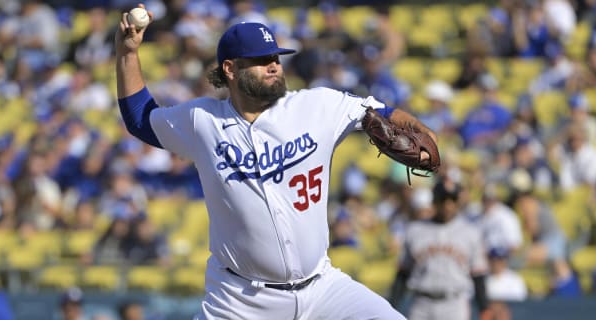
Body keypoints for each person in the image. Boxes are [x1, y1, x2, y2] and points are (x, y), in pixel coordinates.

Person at [115, 5, 436, 318]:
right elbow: (141, 119)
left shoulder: (316, 105)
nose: (273, 66)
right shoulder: (202, 120)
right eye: (261, 60)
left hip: (322, 288)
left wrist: (421, 131)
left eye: (275, 58)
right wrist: (128, 54)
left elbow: (379, 113)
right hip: (240, 300)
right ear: (230, 69)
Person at [395, 179, 490, 320]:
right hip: (422, 302)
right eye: (443, 199)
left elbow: (478, 276)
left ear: (457, 202)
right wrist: (392, 304)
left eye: (452, 200)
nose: (447, 205)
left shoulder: (471, 232)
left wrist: (484, 308)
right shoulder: (415, 230)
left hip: (454, 303)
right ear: (434, 201)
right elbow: (403, 274)